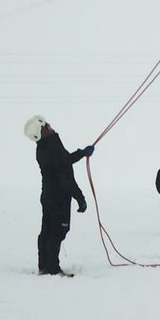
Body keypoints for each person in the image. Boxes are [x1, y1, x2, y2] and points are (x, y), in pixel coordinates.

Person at [24, 115, 94, 276]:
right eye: (46, 125)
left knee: (47, 232)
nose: (50, 125)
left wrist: (82, 153)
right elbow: (66, 176)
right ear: (42, 132)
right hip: (58, 198)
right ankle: (53, 269)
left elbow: (64, 161)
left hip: (49, 196)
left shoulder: (45, 146)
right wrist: (80, 198)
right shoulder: (52, 147)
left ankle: (44, 266)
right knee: (57, 231)